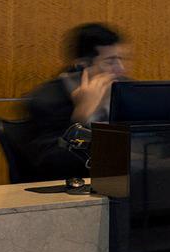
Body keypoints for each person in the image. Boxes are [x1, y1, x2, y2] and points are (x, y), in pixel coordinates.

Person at [22, 23, 129, 180]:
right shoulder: (48, 100)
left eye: (121, 59)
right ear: (82, 66)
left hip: (126, 179)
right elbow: (51, 165)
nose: (121, 69)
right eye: (110, 61)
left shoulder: (126, 90)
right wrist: (81, 116)